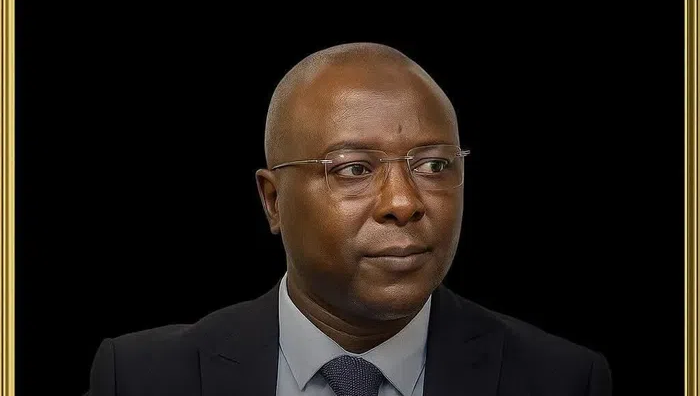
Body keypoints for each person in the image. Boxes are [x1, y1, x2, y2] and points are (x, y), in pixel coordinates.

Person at [85, 42, 612, 396]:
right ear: (273, 201)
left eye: (433, 165)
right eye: (354, 168)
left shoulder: (563, 380)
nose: (403, 202)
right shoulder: (140, 378)